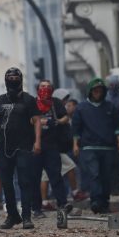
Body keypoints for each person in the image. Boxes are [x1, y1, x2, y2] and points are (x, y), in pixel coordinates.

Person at [0, 68, 41, 229]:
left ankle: (27, 217)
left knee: (24, 182)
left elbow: (37, 121)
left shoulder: (29, 99)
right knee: (7, 183)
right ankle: (12, 215)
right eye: (10, 77)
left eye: (16, 77)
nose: (13, 79)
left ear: (21, 79)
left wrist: (37, 142)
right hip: (4, 147)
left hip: (24, 147)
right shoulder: (1, 99)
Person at [73, 78, 119, 213]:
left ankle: (104, 202)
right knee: (94, 174)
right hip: (89, 147)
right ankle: (95, 201)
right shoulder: (81, 108)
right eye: (95, 90)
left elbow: (117, 125)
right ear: (90, 91)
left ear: (104, 91)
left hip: (108, 147)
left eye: (100, 90)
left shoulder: (109, 107)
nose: (97, 93)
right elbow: (76, 129)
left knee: (106, 176)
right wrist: (75, 145)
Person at [31, 80, 72, 219]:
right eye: (43, 86)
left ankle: (63, 204)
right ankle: (36, 209)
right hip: (35, 146)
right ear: (38, 88)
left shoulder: (56, 102)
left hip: (52, 145)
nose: (45, 89)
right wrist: (44, 121)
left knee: (56, 176)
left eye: (48, 87)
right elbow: (29, 120)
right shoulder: (32, 103)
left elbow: (65, 116)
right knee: (35, 178)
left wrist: (58, 121)